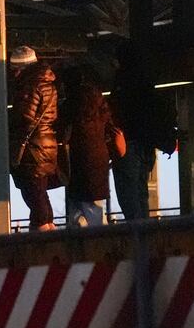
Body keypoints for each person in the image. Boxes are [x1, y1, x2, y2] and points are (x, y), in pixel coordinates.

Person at [109, 41, 173, 222]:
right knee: (140, 192)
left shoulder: (123, 81)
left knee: (128, 194)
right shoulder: (146, 81)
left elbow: (117, 112)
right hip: (147, 145)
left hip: (127, 144)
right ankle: (144, 236)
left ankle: (137, 235)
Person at [61, 65, 124, 228]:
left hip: (78, 161)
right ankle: (95, 241)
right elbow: (110, 125)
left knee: (84, 207)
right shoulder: (98, 100)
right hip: (99, 159)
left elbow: (62, 129)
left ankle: (97, 244)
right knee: (92, 206)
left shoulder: (70, 104)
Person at [8, 46, 61, 231]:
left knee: (34, 194)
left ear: (21, 68)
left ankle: (43, 240)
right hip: (46, 143)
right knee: (40, 193)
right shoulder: (48, 83)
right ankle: (49, 232)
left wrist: (7, 122)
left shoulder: (30, 85)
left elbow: (24, 116)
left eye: (14, 69)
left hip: (32, 147)